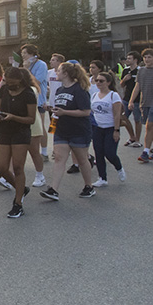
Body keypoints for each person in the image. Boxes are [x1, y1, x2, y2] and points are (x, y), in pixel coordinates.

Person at [40, 62, 95, 201]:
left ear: (66, 74)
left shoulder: (79, 89)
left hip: (79, 131)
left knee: (82, 160)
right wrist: (52, 113)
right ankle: (53, 189)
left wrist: (65, 112)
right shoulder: (59, 90)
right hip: (61, 130)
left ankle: (89, 186)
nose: (56, 73)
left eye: (58, 71)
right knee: (59, 158)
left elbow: (85, 112)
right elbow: (59, 112)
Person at [0, 67, 37, 218]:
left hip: (21, 131)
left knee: (18, 167)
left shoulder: (28, 94)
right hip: (4, 130)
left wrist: (13, 117)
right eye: (7, 81)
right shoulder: (4, 89)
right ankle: (21, 188)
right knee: (2, 167)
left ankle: (18, 203)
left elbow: (31, 119)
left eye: (12, 82)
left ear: (20, 80)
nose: (9, 84)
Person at [128, 48, 153, 162]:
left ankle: (145, 151)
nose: (147, 59)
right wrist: (131, 101)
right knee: (152, 126)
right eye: (145, 57)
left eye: (149, 57)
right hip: (145, 102)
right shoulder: (141, 71)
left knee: (150, 125)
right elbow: (137, 86)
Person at [90, 71, 126, 188]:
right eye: (97, 81)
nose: (99, 83)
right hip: (97, 128)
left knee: (109, 153)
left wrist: (116, 130)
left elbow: (117, 114)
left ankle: (119, 168)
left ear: (108, 82)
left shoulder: (113, 95)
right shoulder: (94, 95)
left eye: (102, 81)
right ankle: (102, 178)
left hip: (110, 128)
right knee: (98, 153)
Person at [21, 44, 49, 159]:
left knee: (39, 126)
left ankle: (44, 151)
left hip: (39, 100)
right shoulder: (25, 65)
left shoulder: (41, 65)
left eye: (25, 54)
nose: (23, 56)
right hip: (26, 98)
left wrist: (26, 69)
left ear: (32, 54)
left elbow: (36, 81)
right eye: (22, 54)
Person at [120, 51, 142, 146]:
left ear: (135, 60)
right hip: (126, 97)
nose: (127, 60)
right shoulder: (126, 70)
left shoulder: (140, 70)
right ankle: (132, 136)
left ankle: (137, 140)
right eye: (127, 58)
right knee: (123, 117)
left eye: (129, 58)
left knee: (137, 120)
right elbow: (121, 85)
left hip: (137, 99)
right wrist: (124, 79)